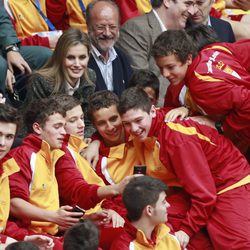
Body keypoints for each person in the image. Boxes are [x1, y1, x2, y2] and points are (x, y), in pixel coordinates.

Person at [118, 86, 250, 249]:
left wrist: (186, 231)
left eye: (138, 121)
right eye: (127, 124)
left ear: (152, 111)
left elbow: (205, 196)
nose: (134, 129)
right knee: (151, 216)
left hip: (230, 184)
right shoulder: (148, 129)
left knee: (235, 245)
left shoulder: (176, 139)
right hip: (195, 191)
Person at [151, 26, 250, 148]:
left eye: (170, 67)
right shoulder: (215, 49)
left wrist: (222, 126)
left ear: (188, 58)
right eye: (161, 68)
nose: (165, 74)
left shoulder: (200, 84)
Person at [116, 0, 198, 106]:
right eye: (188, 4)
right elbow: (142, 86)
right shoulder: (136, 29)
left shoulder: (183, 34)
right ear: (167, 1)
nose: (193, 11)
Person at [0, 104, 54, 249]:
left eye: (9, 137)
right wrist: (9, 242)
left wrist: (25, 238)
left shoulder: (5, 169)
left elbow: (3, 223)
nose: (2, 143)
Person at [25, 28, 96, 138]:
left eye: (82, 57)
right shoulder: (40, 80)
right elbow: (33, 126)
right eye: (70, 57)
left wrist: (86, 140)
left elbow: (89, 122)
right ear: (60, 57)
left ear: (88, 57)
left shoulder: (90, 77)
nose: (77, 64)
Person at [111, 176, 181, 250]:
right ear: (149, 210)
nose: (168, 205)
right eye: (163, 202)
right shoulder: (123, 247)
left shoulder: (168, 233)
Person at [0, 1, 52, 95]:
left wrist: (11, 48)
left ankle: (34, 105)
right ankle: (5, 106)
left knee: (45, 56)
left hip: (3, 47)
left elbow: (2, 19)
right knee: (1, 67)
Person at [86, 0, 132, 96]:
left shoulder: (122, 57)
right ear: (88, 27)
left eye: (112, 27)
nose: (107, 33)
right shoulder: (80, 59)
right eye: (100, 27)